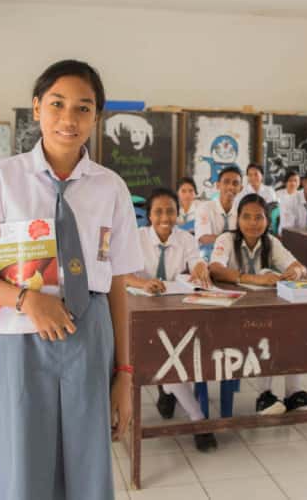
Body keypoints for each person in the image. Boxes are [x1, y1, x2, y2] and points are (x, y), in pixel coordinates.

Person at [0, 60, 141, 500]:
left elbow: (116, 285)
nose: (69, 119)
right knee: (21, 466)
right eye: (57, 104)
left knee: (86, 468)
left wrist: (125, 375)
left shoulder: (110, 188)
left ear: (97, 117)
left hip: (88, 339)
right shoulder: (3, 179)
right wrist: (27, 301)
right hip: (20, 340)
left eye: (83, 108)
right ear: (36, 108)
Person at [207, 194, 307, 414]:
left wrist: (296, 272)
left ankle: (293, 394)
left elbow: (299, 267)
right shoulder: (226, 240)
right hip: (231, 315)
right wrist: (252, 278)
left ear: (267, 221)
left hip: (264, 313)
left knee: (291, 329)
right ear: (237, 219)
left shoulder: (272, 242)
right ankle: (264, 396)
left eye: (259, 217)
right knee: (269, 332)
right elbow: (215, 269)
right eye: (246, 217)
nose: (252, 223)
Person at [128, 188, 216, 451]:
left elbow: (196, 261)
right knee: (166, 358)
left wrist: (200, 267)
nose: (165, 217)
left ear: (178, 214)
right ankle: (198, 418)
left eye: (170, 211)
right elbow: (120, 274)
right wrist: (143, 283)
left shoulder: (185, 238)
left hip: (176, 308)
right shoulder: (136, 237)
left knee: (184, 355)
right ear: (149, 215)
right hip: (141, 310)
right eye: (158, 211)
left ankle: (168, 392)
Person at [195, 166, 243, 248]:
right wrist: (233, 240)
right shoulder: (205, 208)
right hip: (209, 254)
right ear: (218, 185)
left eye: (235, 183)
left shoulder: (242, 210)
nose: (230, 187)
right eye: (226, 182)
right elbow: (204, 238)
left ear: (240, 188)